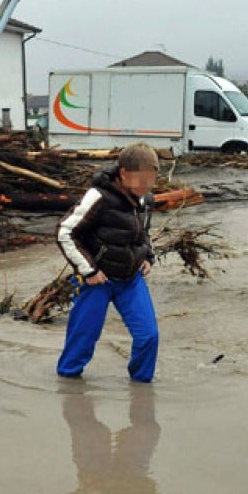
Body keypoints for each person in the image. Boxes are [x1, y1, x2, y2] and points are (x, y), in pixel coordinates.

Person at [56, 142, 160, 382]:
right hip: (96, 281)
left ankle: (142, 392)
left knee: (148, 337)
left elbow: (143, 232)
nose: (147, 186)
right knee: (82, 342)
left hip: (131, 279)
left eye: (151, 180)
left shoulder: (145, 199)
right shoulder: (98, 197)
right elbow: (64, 232)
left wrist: (149, 257)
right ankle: (68, 391)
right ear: (123, 173)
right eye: (142, 180)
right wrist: (88, 270)